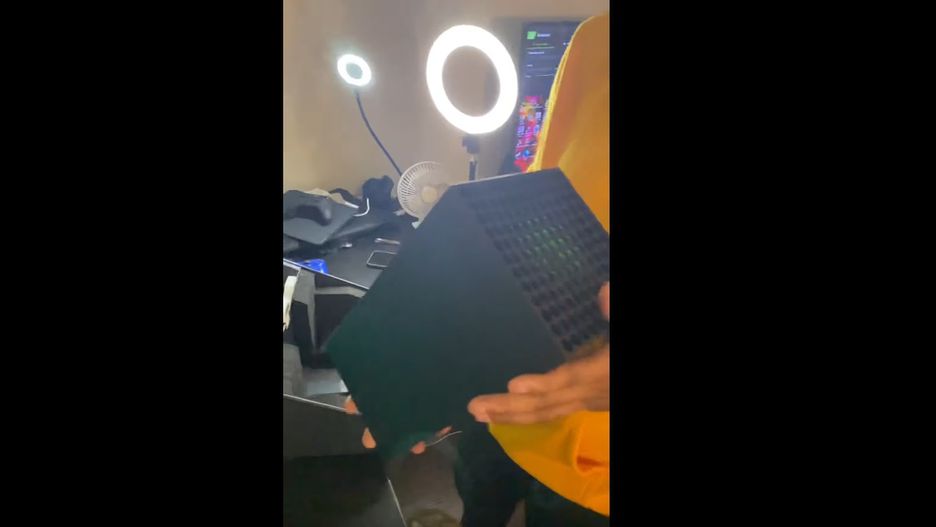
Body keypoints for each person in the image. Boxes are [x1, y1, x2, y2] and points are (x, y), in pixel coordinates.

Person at [346, 11, 610, 526]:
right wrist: (454, 331)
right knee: (477, 502)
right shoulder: (597, 40)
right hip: (503, 406)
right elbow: (543, 209)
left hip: (595, 478)